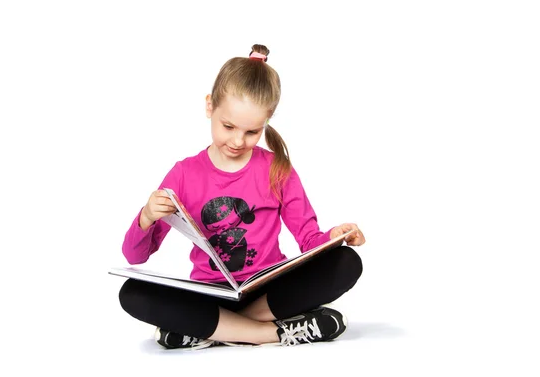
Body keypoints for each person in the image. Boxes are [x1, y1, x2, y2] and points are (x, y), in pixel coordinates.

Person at [118, 44, 366, 349]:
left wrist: (333, 237)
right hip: (210, 295)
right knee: (132, 293)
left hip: (267, 293)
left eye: (251, 132)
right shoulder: (184, 174)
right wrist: (146, 216)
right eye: (228, 126)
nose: (237, 141)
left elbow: (308, 239)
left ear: (267, 120)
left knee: (345, 263)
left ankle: (212, 331)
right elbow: (134, 256)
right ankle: (270, 333)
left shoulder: (277, 169)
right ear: (210, 106)